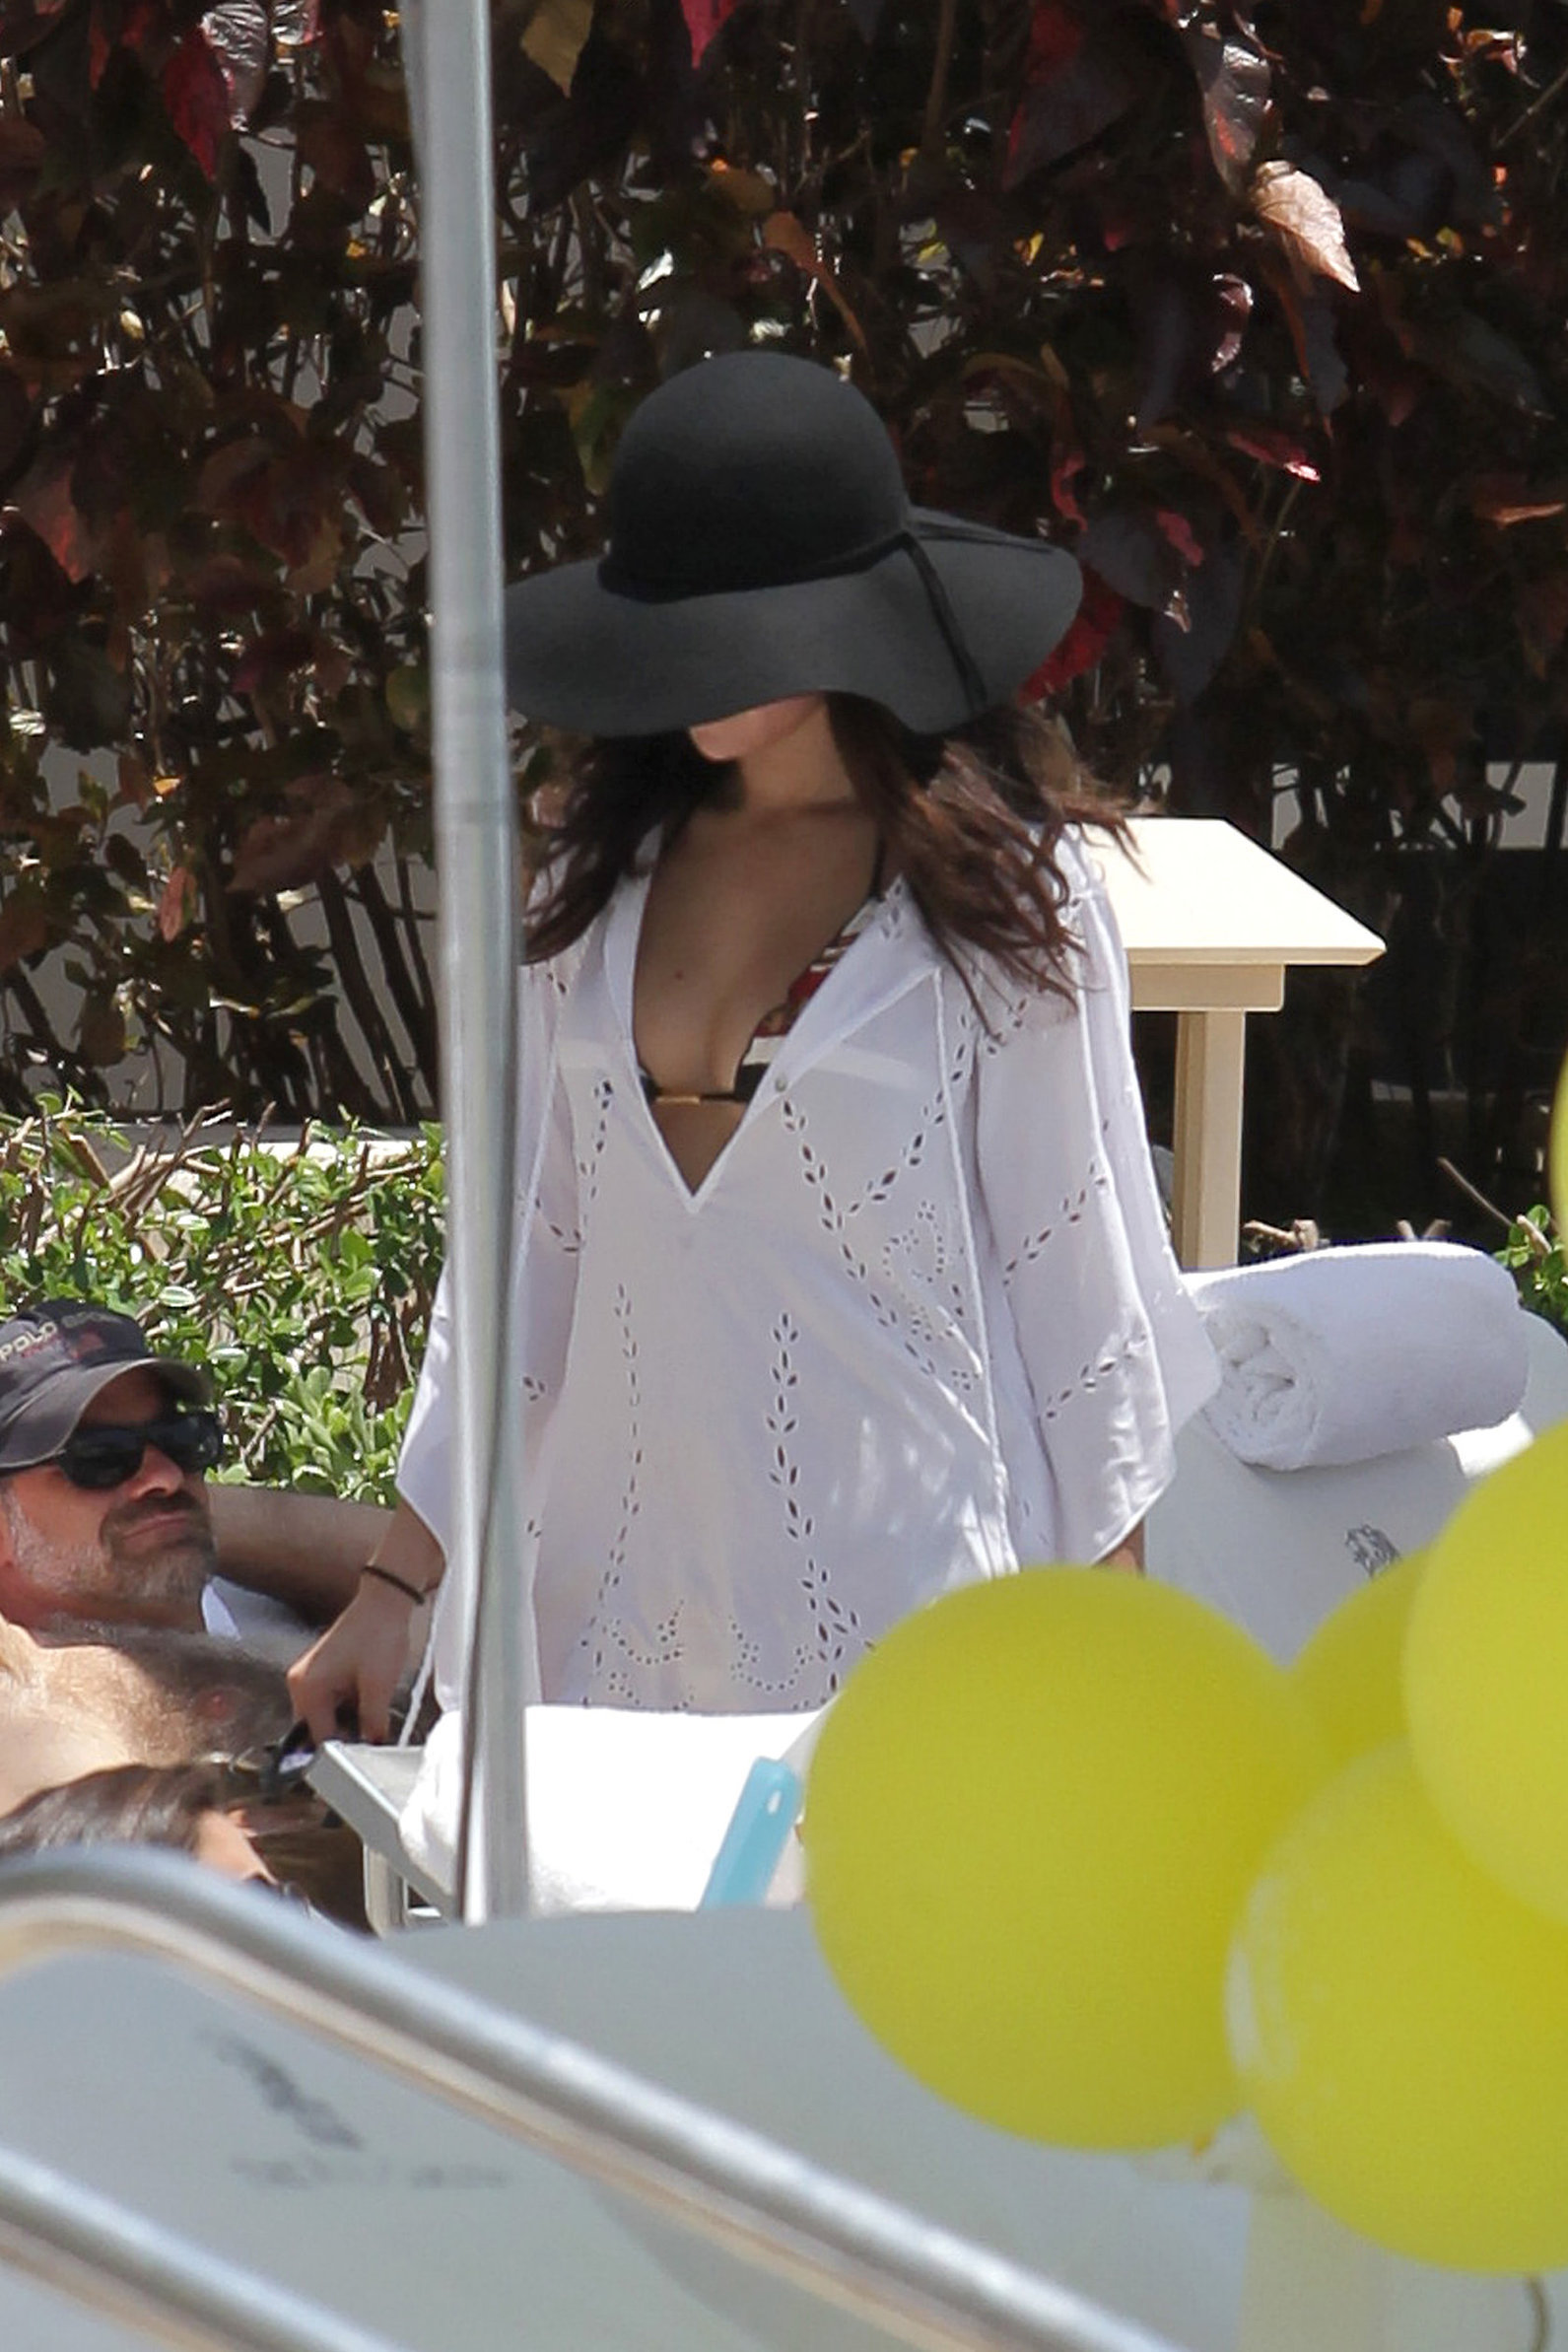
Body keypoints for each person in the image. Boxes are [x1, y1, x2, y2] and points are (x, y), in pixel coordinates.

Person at [289, 347, 1219, 1743]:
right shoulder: (583, 886)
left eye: (736, 623)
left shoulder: (1000, 897)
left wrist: (1111, 1672)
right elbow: (523, 1267)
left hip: (917, 1633)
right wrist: (391, 1584)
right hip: (604, 1638)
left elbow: (1076, 1297)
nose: (695, 664)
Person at [0, 1299, 393, 1650]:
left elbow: (418, 1565)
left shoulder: (270, 1619)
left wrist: (173, 1518)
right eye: (101, 1456)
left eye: (182, 1439)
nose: (167, 1477)